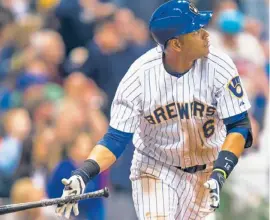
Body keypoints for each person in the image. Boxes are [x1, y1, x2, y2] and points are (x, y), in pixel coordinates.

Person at [55, 1, 253, 219]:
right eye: (196, 31)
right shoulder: (139, 76)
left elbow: (240, 126)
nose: (206, 34)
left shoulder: (220, 65)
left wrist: (220, 172)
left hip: (205, 173)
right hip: (156, 169)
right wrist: (83, 174)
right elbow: (115, 139)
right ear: (176, 44)